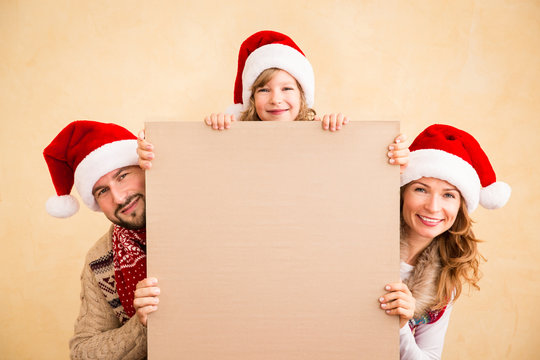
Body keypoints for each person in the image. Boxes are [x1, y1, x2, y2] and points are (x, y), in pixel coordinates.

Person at [137, 30, 409, 171]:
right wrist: (215, 131)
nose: (276, 99)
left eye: (287, 89)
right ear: (251, 99)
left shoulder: (322, 133)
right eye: (264, 90)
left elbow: (354, 173)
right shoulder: (233, 132)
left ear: (303, 97)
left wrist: (341, 133)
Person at [378, 124, 511, 359]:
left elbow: (430, 356)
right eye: (421, 189)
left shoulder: (443, 282)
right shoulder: (365, 240)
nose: (433, 207)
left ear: (460, 206)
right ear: (402, 193)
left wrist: (400, 328)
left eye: (448, 195)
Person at [44, 120, 159, 360]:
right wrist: (140, 324)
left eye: (123, 176)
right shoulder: (101, 260)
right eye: (102, 191)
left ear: (145, 168)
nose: (118, 198)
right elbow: (82, 351)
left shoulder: (198, 213)